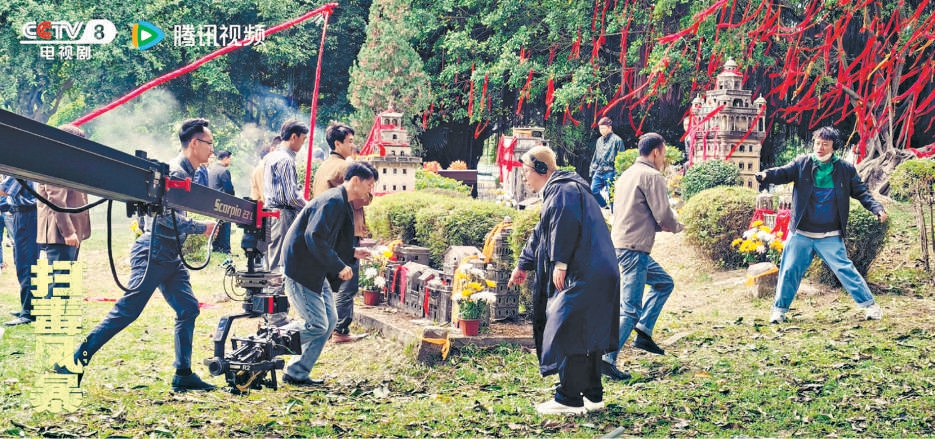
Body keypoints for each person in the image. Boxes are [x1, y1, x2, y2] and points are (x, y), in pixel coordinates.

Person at [67, 118, 218, 391]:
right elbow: (165, 220)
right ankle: (74, 362)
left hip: (169, 254)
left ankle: (183, 374)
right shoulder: (175, 172)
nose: (212, 150)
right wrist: (202, 228)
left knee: (188, 309)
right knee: (127, 311)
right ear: (195, 144)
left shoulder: (188, 173)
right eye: (209, 143)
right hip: (154, 251)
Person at [508, 146, 620, 415]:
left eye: (526, 171)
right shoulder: (565, 188)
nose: (524, 178)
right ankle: (593, 396)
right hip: (597, 269)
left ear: (541, 169)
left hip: (584, 271)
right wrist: (522, 265)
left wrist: (560, 262)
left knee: (566, 330)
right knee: (587, 332)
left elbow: (565, 223)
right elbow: (540, 233)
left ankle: (568, 399)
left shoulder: (563, 190)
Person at [756, 126, 887, 323]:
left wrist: (876, 208)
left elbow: (861, 191)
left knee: (845, 269)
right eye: (817, 143)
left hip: (829, 234)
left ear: (833, 146)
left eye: (825, 144)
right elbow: (783, 173)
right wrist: (766, 175)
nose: (820, 147)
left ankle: (870, 306)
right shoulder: (802, 163)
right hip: (801, 232)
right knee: (789, 270)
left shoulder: (845, 169)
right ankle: (779, 310)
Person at [280, 161, 378, 386]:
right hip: (301, 267)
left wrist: (352, 252)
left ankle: (297, 372)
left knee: (329, 320)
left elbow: (328, 240)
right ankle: (273, 337)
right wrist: (339, 266)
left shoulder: (341, 202)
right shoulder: (333, 201)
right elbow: (314, 237)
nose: (370, 190)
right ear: (355, 181)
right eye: (369, 184)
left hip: (316, 268)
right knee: (317, 324)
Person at [602, 133, 684, 381]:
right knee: (630, 310)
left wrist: (658, 225)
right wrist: (677, 226)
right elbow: (663, 214)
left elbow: (634, 211)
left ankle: (644, 332)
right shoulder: (652, 176)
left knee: (664, 283)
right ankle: (606, 359)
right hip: (634, 249)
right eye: (664, 154)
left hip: (621, 244)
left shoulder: (627, 174)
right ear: (656, 152)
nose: (663, 159)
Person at [312, 122, 369, 344]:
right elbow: (360, 198)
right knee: (347, 280)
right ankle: (340, 329)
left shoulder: (323, 167)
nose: (353, 146)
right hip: (346, 228)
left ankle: (328, 326)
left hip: (327, 228)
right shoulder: (345, 167)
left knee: (329, 279)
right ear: (338, 143)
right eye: (350, 141)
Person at [36, 125, 93, 295]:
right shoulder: (56, 163)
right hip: (60, 234)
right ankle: (55, 314)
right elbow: (56, 200)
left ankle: (63, 313)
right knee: (59, 283)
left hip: (68, 232)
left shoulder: (65, 161)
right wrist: (68, 232)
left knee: (65, 282)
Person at [264, 121, 309, 273]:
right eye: (303, 139)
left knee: (272, 256)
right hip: (283, 214)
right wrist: (309, 207)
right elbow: (292, 197)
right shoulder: (286, 160)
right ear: (294, 137)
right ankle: (275, 287)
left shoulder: (271, 156)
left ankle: (272, 285)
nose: (303, 144)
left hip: (272, 211)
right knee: (280, 260)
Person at [0, 176, 39, 326]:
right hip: (22, 214)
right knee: (22, 262)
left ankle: (29, 312)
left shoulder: (18, 166)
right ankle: (28, 307)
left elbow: (3, 190)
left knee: (27, 263)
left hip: (27, 215)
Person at [589, 117, 624, 210]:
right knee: (593, 190)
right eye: (600, 128)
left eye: (604, 128)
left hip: (610, 170)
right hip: (599, 170)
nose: (602, 131)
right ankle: (604, 205)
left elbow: (621, 158)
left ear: (610, 128)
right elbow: (596, 156)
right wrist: (592, 169)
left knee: (612, 195)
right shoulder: (599, 141)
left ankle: (614, 213)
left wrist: (618, 174)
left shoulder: (617, 140)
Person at [208, 150, 235, 254]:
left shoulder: (212, 169)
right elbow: (229, 189)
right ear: (225, 158)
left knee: (218, 225)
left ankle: (216, 247)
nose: (230, 161)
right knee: (226, 226)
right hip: (224, 202)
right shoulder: (224, 171)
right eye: (230, 159)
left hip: (213, 201)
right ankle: (226, 249)